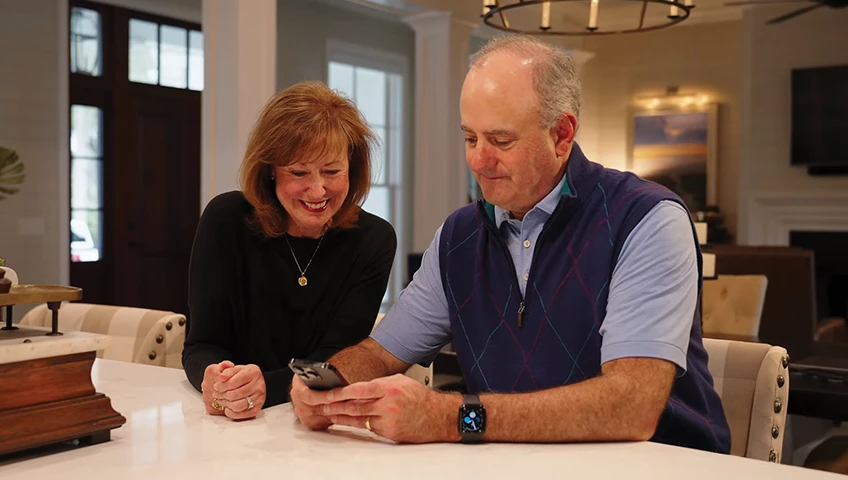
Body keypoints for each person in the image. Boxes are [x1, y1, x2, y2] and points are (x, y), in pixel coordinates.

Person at [289, 35, 731, 453]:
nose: (479, 161)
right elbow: (381, 353)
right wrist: (327, 383)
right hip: (516, 473)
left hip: (663, 475)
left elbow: (631, 407)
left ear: (562, 135)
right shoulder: (458, 237)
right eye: (470, 138)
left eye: (501, 140)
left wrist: (454, 418)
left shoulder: (647, 219)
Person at [183, 81, 397, 420]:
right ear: (270, 170)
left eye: (332, 171)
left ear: (352, 168)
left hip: (315, 420)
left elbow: (338, 362)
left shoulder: (374, 239)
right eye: (298, 172)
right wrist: (216, 380)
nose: (317, 190)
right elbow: (201, 344)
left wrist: (266, 388)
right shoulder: (225, 220)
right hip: (226, 425)